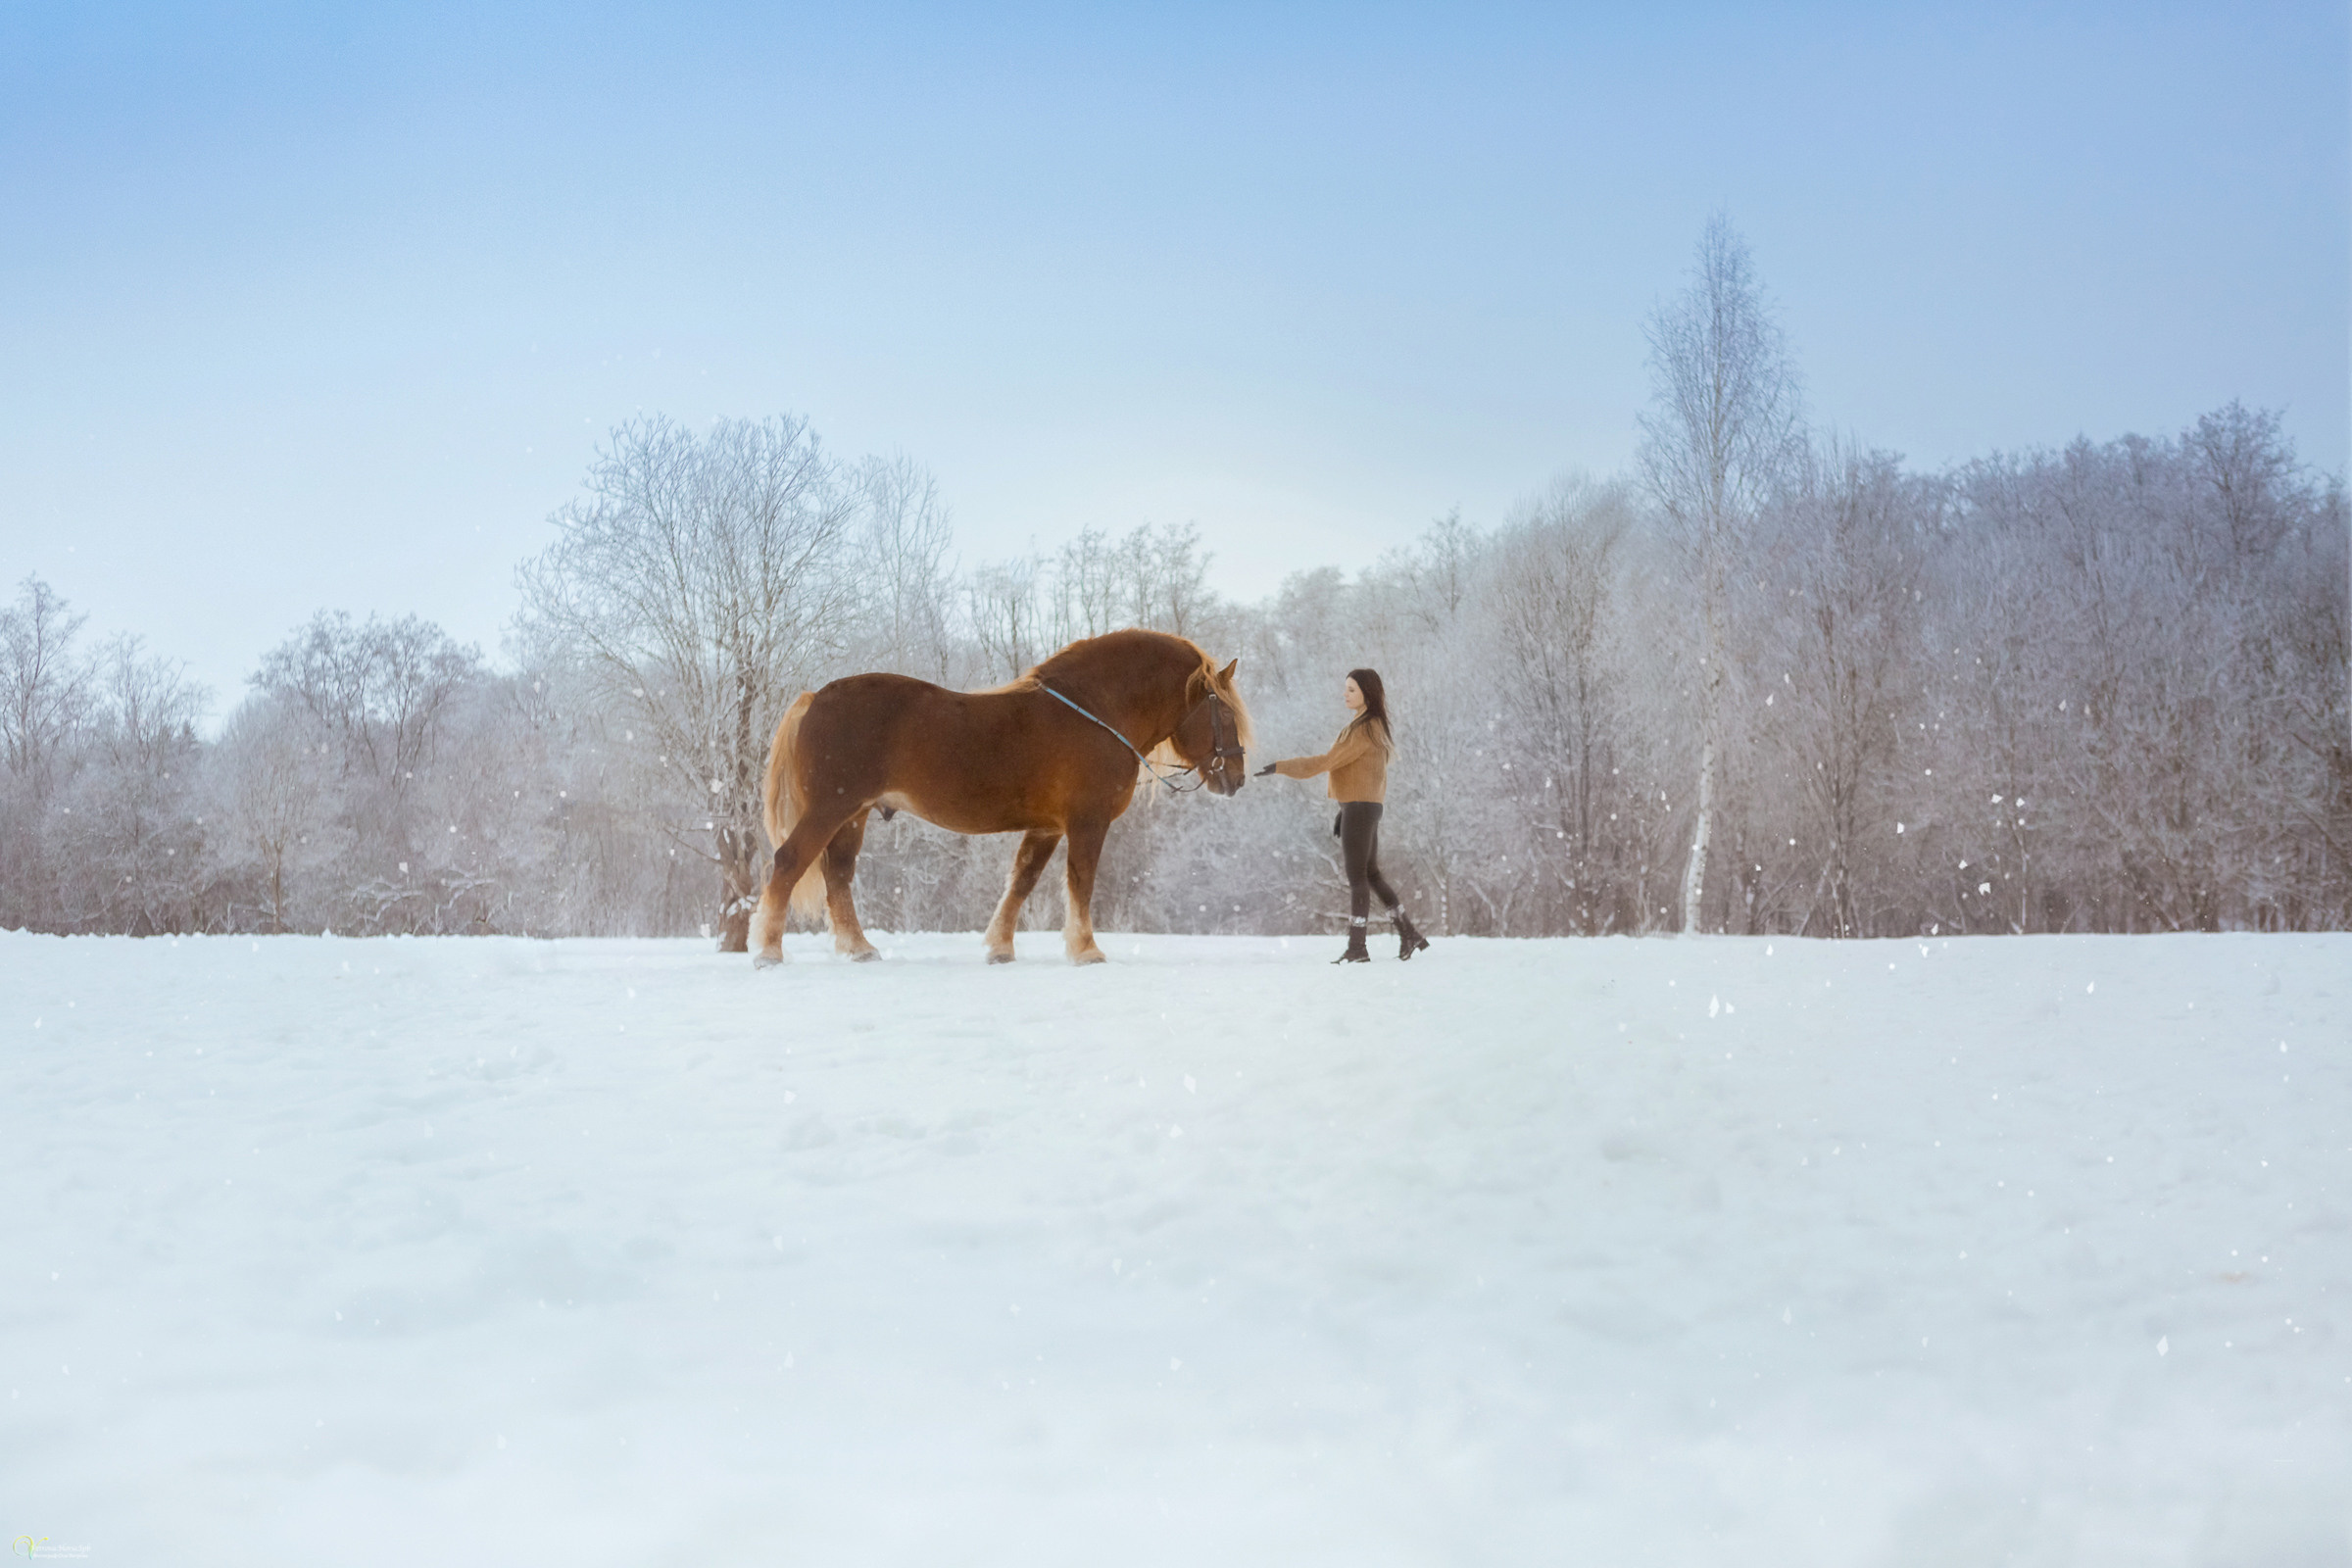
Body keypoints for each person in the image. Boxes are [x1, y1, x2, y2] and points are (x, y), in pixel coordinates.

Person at [1255, 667, 1432, 963]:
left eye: (1351, 689)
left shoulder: (1364, 728)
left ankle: (1358, 947)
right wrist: (1345, 808)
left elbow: (1325, 762)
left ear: (1367, 693)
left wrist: (1280, 767)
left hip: (1360, 808)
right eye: (1346, 689)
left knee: (1358, 877)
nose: (1345, 694)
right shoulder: (1370, 725)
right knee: (1371, 874)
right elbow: (1363, 773)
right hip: (1363, 806)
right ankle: (1409, 934)